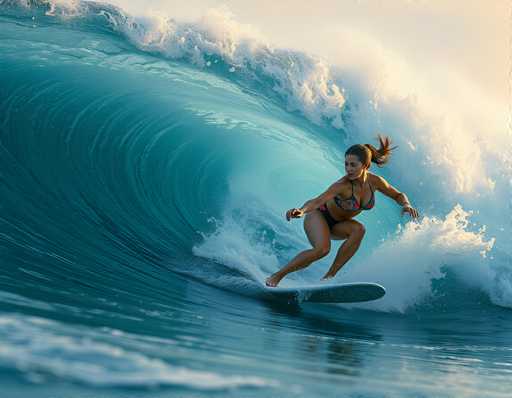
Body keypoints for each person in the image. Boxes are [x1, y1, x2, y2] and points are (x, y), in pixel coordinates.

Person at [265, 135, 419, 287]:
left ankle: (329, 277)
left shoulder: (375, 182)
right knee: (322, 250)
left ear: (365, 166)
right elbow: (318, 200)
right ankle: (277, 276)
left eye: (353, 165)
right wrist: (301, 210)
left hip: (339, 224)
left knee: (359, 229)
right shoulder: (342, 185)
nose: (348, 169)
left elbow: (398, 195)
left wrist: (406, 205)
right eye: (346, 164)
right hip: (319, 215)